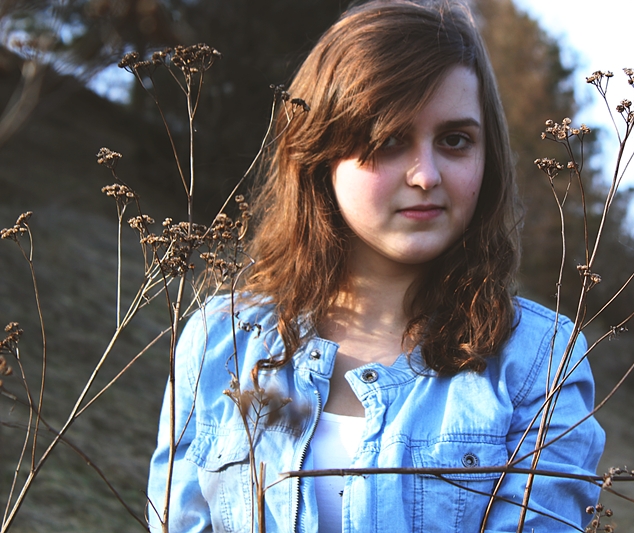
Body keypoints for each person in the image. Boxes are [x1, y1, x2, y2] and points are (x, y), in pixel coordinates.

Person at [147, 1, 605, 532]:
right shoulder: (221, 341)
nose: (426, 175)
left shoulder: (539, 362)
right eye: (389, 140)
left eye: (455, 140)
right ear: (321, 152)